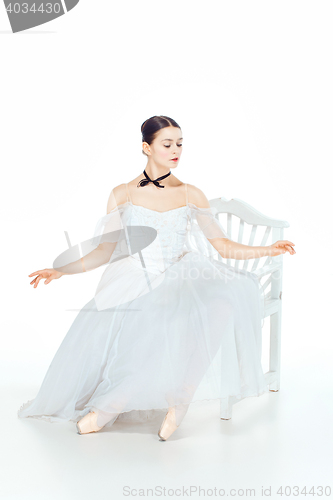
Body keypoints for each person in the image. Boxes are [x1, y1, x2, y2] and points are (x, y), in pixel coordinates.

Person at [18, 115, 296, 441]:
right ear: (146, 147)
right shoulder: (122, 193)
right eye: (167, 144)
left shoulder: (191, 193)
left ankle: (182, 396)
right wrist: (61, 270)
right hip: (138, 274)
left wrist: (266, 249)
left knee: (222, 303)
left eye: (180, 143)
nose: (176, 150)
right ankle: (113, 403)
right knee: (152, 311)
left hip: (182, 270)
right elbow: (104, 251)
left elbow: (222, 245)